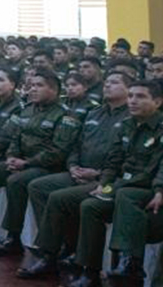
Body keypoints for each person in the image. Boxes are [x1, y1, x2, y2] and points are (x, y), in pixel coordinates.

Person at [16, 71, 132, 276]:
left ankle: (49, 255)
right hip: (78, 172)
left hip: (106, 180)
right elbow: (76, 145)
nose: (107, 86)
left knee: (60, 197)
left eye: (114, 82)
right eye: (106, 82)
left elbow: (126, 159)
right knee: (39, 186)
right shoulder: (95, 113)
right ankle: (59, 245)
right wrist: (72, 167)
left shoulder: (131, 117)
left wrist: (97, 174)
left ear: (128, 89)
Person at [56, 78, 163, 287]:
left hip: (147, 188)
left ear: (158, 102)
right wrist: (102, 185)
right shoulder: (126, 125)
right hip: (123, 185)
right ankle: (89, 270)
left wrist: (159, 190)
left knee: (125, 195)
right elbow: (113, 162)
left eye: (140, 97)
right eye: (131, 96)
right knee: (91, 205)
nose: (132, 101)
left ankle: (129, 261)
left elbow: (159, 168)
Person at [0, 70, 76, 250]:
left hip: (47, 167)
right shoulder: (27, 110)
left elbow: (58, 151)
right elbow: (14, 137)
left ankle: (13, 235)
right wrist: (12, 157)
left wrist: (27, 163)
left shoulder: (65, 115)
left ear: (54, 90)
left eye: (39, 86)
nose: (33, 90)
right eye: (31, 86)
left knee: (16, 181)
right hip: (21, 162)